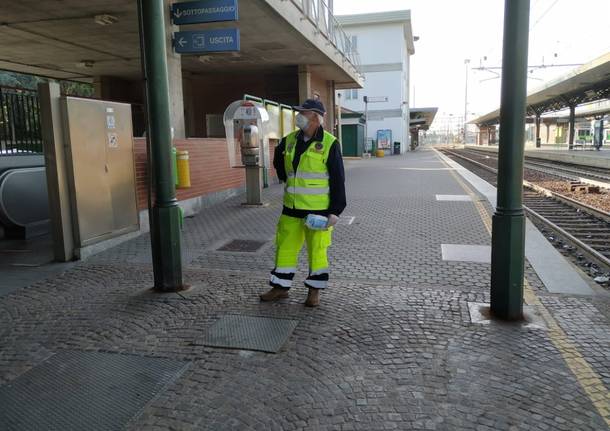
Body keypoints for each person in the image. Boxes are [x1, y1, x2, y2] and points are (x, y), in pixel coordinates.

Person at [259, 99, 346, 307]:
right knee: (285, 249)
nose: (298, 116)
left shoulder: (329, 143)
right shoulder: (289, 140)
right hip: (291, 210)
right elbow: (278, 162)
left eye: (303, 113)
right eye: (298, 112)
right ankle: (280, 287)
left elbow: (338, 179)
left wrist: (335, 211)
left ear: (316, 117)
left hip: (318, 212)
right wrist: (284, 176)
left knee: (317, 251)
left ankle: (314, 292)